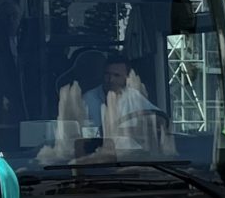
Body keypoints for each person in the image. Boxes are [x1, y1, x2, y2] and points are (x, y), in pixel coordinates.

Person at [41, 53, 170, 164]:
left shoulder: (134, 96)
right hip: (97, 160)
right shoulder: (87, 100)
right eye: (107, 74)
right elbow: (80, 135)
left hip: (131, 160)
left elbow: (159, 119)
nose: (110, 79)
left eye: (116, 75)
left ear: (127, 78)